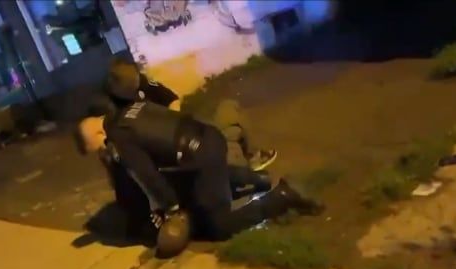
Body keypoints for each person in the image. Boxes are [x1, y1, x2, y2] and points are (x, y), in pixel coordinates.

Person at [75, 101, 324, 257]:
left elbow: (147, 175)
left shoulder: (120, 137)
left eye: (94, 146)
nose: (100, 151)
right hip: (207, 137)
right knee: (200, 181)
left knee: (218, 226)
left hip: (201, 156)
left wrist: (171, 208)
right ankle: (257, 180)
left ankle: (280, 197)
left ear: (98, 131)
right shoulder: (130, 110)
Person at [105, 57, 277, 171]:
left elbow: (172, 99)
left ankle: (251, 155)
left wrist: (171, 121)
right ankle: (236, 168)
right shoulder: (118, 115)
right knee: (222, 138)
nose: (137, 81)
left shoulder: (142, 83)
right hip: (180, 150)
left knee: (229, 108)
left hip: (184, 130)